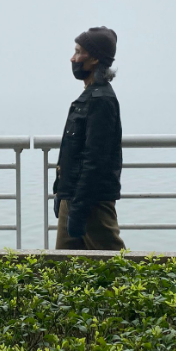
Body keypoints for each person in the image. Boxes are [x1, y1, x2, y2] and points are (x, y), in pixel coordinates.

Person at [52, 26, 126, 251]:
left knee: (117, 268)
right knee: (63, 269)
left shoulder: (101, 101)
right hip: (72, 198)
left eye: (78, 52)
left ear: (94, 58)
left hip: (91, 203)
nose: (72, 58)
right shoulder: (88, 97)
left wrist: (80, 207)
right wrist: (61, 192)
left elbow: (96, 160)